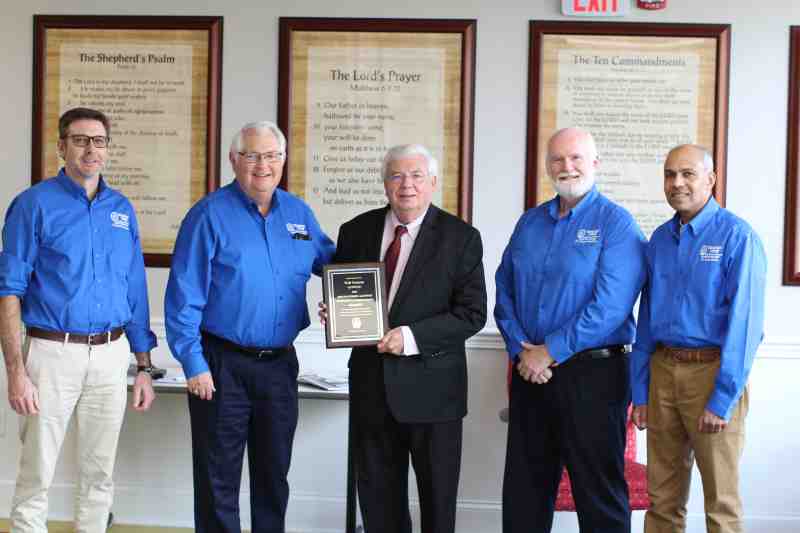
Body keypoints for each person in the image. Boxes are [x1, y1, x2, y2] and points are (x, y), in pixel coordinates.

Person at [165, 120, 335, 533]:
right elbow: (184, 294)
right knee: (217, 476)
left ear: (283, 160)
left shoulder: (299, 214)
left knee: (274, 474)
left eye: (272, 155)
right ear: (234, 160)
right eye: (253, 155)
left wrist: (345, 304)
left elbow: (334, 265)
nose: (263, 165)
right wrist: (193, 362)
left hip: (279, 366)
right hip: (221, 364)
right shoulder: (207, 216)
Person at [0, 107, 157, 533]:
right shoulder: (33, 205)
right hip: (51, 353)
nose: (91, 149)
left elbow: (135, 291)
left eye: (99, 141)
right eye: (81, 139)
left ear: (107, 149)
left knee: (99, 474)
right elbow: (9, 290)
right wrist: (16, 371)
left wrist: (143, 367)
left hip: (111, 354)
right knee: (37, 473)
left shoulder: (120, 209)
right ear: (61, 146)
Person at [328, 144, 486, 533]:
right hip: (371, 389)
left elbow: (472, 314)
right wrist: (338, 315)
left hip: (434, 393)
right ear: (385, 184)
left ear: (433, 183)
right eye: (397, 176)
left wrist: (410, 337)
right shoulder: (355, 231)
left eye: (417, 176)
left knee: (437, 503)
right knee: (378, 501)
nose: (407, 185)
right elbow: (350, 299)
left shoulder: (460, 238)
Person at [495, 127, 646, 533]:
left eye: (576, 158)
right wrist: (520, 350)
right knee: (525, 492)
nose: (567, 166)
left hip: (594, 376)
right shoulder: (529, 223)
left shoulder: (616, 224)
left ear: (595, 163)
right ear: (548, 166)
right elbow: (504, 288)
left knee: (599, 496)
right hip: (531, 373)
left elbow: (612, 306)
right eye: (558, 159)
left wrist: (551, 350)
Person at [630, 144, 766, 533]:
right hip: (662, 374)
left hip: (712, 375)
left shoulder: (738, 237)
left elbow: (745, 327)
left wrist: (722, 400)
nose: (677, 183)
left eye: (688, 174)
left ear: (711, 179)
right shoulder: (659, 239)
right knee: (662, 500)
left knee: (720, 502)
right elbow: (646, 320)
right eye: (670, 175)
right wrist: (641, 392)